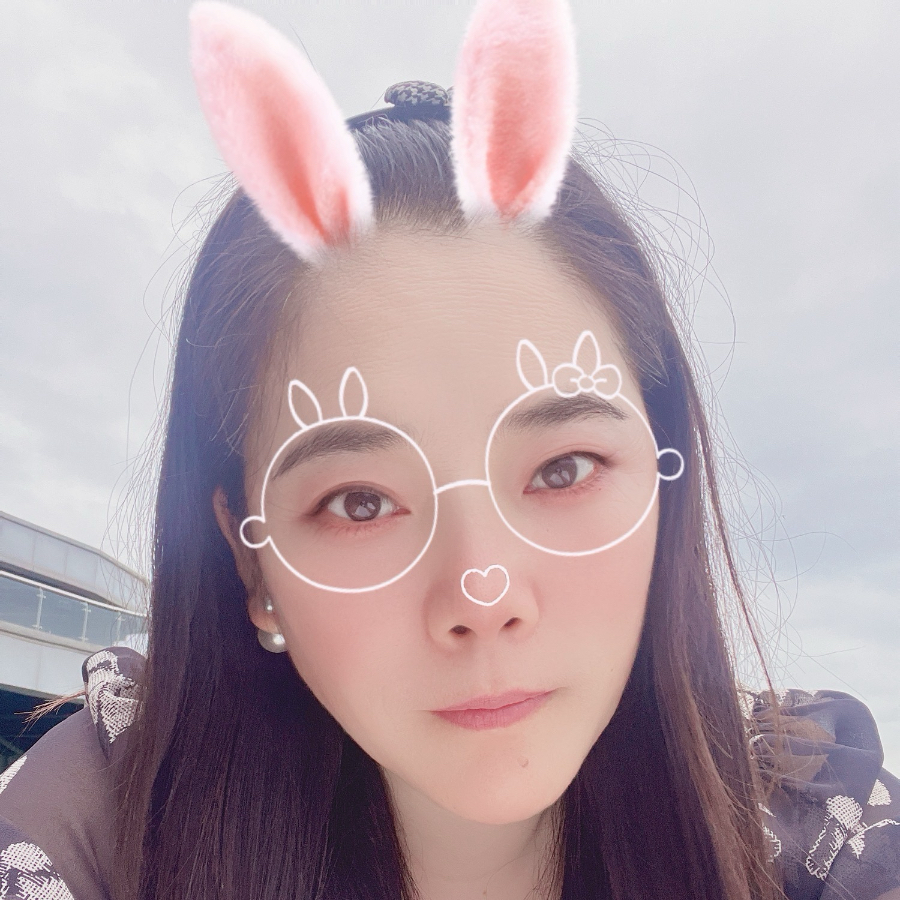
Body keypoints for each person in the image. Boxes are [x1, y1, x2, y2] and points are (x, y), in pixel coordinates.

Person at [1, 1, 897, 899]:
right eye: (359, 502)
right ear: (250, 559)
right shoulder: (95, 828)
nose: (483, 595)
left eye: (563, 470)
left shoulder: (818, 831)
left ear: (663, 480)